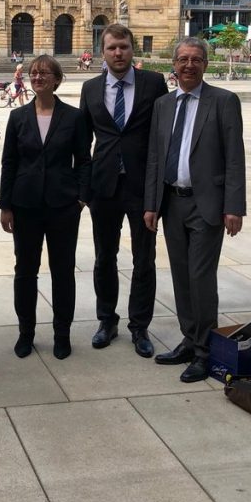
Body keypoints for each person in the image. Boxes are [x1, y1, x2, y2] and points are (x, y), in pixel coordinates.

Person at [144, 37, 246, 382]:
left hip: (207, 206)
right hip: (172, 203)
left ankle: (206, 351)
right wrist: (151, 204)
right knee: (181, 277)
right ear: (173, 64)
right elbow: (156, 158)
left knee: (201, 279)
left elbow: (234, 157)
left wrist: (234, 206)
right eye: (183, 59)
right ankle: (190, 339)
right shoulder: (163, 104)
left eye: (196, 59)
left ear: (206, 64)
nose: (189, 65)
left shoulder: (224, 101)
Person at [79, 24, 168, 356]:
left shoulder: (154, 84)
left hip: (141, 185)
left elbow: (163, 136)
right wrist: (83, 190)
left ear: (133, 50)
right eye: (112, 48)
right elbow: (83, 142)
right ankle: (107, 320)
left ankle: (139, 326)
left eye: (124, 47)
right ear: (102, 52)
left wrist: (159, 188)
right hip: (103, 188)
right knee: (105, 257)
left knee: (144, 258)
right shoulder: (90, 88)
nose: (118, 53)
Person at [0, 55, 90, 360]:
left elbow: (84, 161)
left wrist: (80, 197)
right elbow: (9, 162)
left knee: (63, 271)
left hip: (63, 206)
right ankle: (26, 333)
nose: (37, 77)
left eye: (44, 73)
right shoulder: (18, 117)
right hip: (25, 206)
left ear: (56, 79)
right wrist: (6, 205)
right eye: (33, 73)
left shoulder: (74, 117)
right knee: (25, 271)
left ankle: (61, 333)